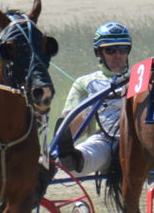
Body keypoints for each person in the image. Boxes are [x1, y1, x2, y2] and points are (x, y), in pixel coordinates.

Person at [54, 22, 132, 176]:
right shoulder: (84, 83)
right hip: (103, 141)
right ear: (99, 52)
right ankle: (74, 160)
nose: (117, 55)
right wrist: (86, 110)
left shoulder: (141, 77)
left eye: (123, 49)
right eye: (110, 50)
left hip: (136, 139)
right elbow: (73, 131)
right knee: (79, 161)